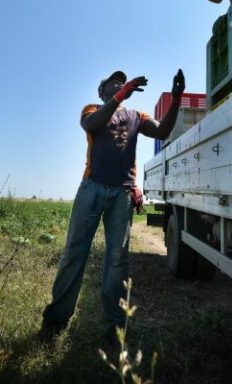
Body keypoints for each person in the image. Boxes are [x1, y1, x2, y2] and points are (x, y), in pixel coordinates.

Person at [40, 69, 186, 340]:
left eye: (122, 81)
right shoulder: (92, 109)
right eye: (113, 81)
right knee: (74, 252)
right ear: (102, 90)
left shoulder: (137, 117)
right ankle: (55, 322)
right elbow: (92, 125)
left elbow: (162, 131)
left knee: (117, 260)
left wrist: (177, 99)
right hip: (91, 188)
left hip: (122, 194)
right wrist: (120, 95)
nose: (119, 82)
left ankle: (114, 330)